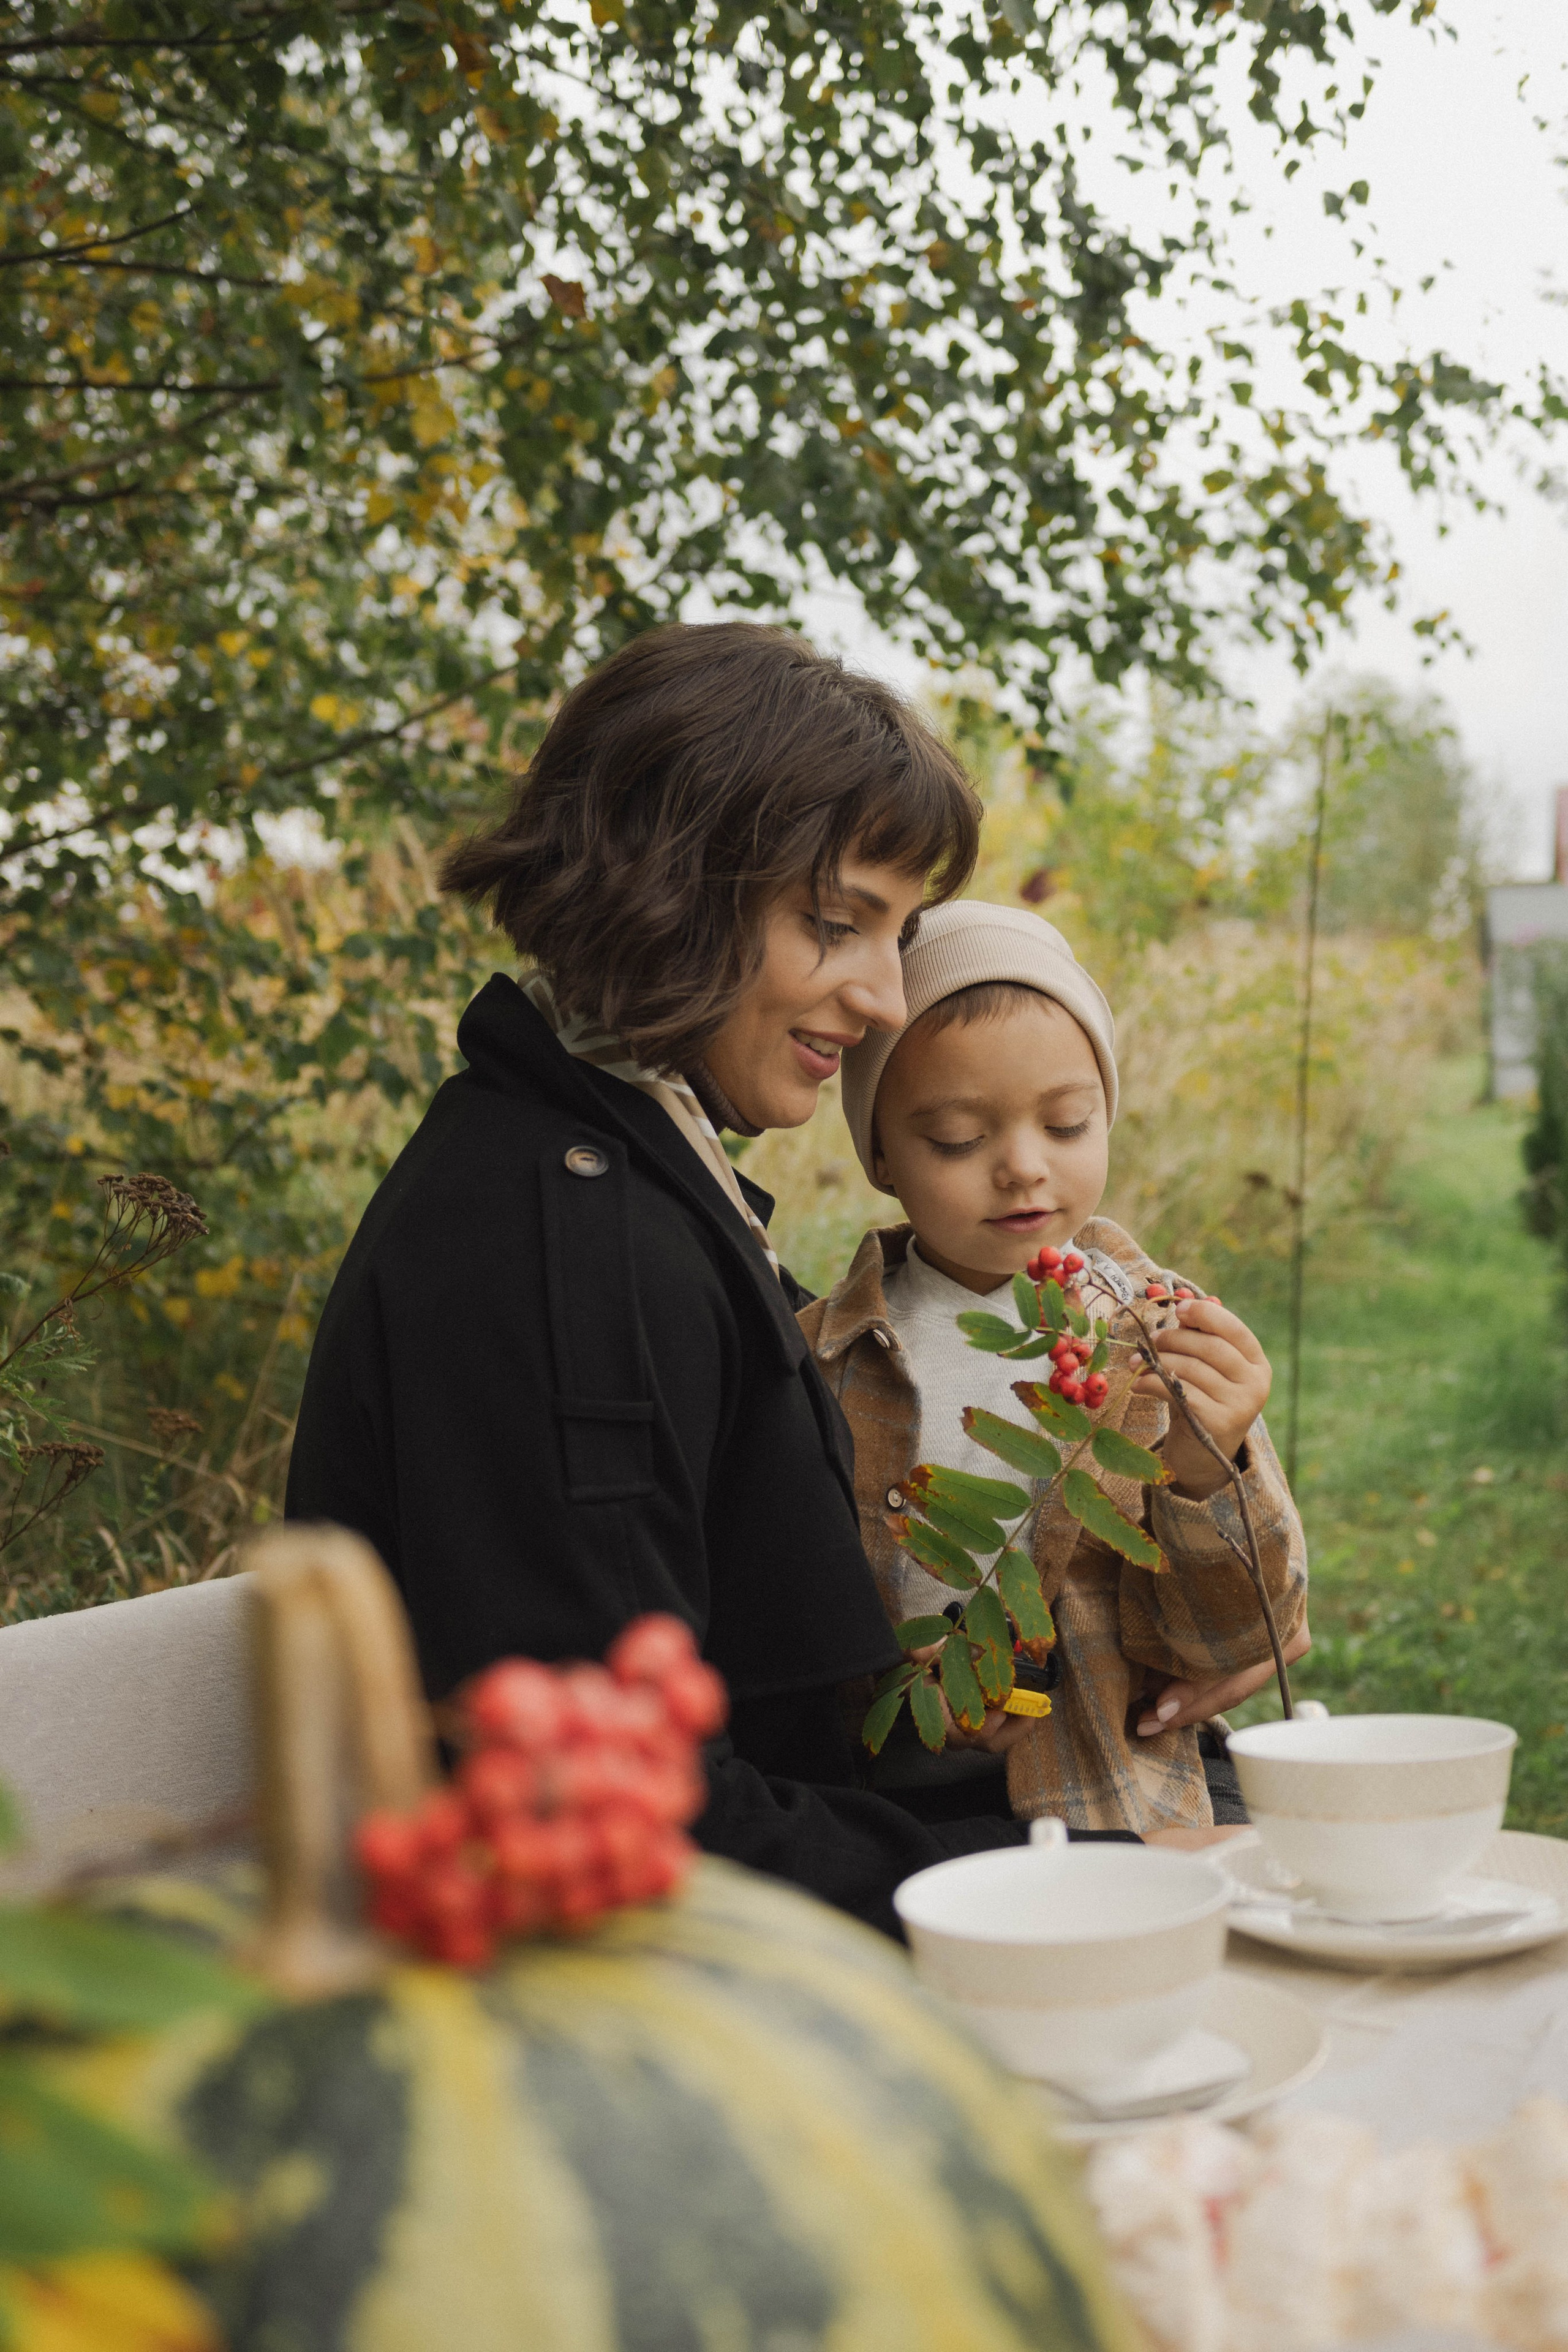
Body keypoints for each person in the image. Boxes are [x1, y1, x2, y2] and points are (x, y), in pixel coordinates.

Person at [287, 622, 1128, 1941]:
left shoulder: (613, 1163)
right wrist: (1067, 1863)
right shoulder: (564, 1246)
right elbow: (623, 1824)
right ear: (664, 881)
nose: (886, 998)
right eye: (835, 923)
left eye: (896, 933)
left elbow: (745, 1656)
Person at [799, 899, 1309, 1840]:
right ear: (878, 1150)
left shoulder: (1160, 1337)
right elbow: (801, 1641)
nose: (1024, 1168)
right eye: (957, 1139)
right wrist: (917, 1692)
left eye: (1069, 1125)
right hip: (913, 1818)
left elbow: (1245, 1642)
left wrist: (1211, 1465)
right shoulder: (827, 1357)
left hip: (1133, 1797)